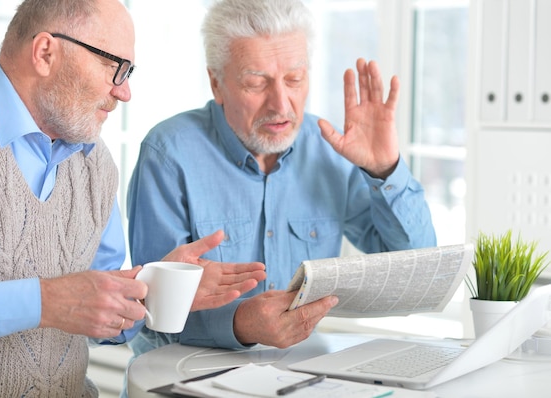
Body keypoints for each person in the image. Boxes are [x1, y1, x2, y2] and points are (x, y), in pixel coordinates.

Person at [0, 0, 266, 396]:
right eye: (112, 66)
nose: (124, 92)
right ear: (45, 53)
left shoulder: (95, 163)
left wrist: (156, 288)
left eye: (128, 72)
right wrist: (48, 300)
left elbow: (102, 319)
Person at [125, 0, 436, 361]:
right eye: (257, 83)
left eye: (294, 79)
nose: (281, 104)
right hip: (179, 377)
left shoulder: (331, 151)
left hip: (293, 377)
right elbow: (151, 314)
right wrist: (240, 322)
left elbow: (417, 271)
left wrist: (385, 170)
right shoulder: (168, 154)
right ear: (217, 83)